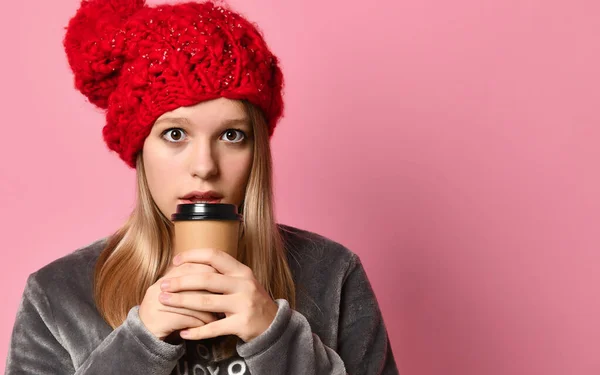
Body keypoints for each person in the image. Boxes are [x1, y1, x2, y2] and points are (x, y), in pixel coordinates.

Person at [5, 0, 399, 374]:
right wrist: (139, 345)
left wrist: (276, 339)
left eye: (231, 135)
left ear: (256, 148)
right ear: (140, 147)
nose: (205, 167)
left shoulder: (331, 273)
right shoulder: (58, 294)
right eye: (175, 133)